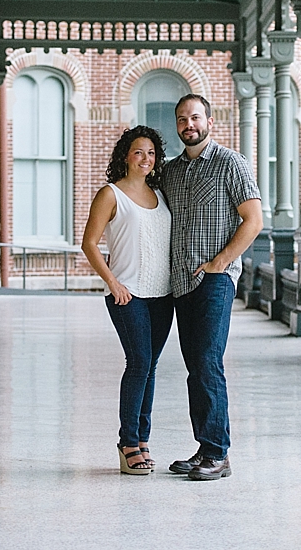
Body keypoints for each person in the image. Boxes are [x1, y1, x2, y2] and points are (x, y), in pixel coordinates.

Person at [158, 93, 262, 481]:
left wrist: (221, 262)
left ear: (210, 121)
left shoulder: (230, 163)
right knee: (195, 367)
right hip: (181, 282)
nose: (189, 124)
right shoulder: (170, 172)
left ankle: (219, 454)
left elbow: (253, 220)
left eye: (196, 117)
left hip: (214, 281)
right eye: (182, 119)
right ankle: (205, 447)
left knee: (207, 363)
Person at [81, 126, 174, 475]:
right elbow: (89, 243)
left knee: (149, 366)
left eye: (151, 153)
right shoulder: (111, 194)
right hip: (128, 294)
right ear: (125, 155)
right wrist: (112, 282)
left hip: (162, 295)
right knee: (138, 363)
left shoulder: (160, 195)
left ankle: (143, 439)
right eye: (138, 152)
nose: (145, 159)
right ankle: (127, 442)